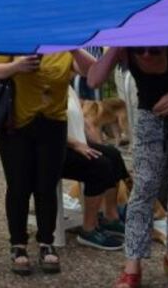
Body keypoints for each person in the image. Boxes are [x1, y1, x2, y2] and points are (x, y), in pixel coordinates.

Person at [89, 46, 168, 288]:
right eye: (139, 49)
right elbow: (94, 79)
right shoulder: (125, 46)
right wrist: (117, 44)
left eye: (154, 50)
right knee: (143, 187)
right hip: (150, 116)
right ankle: (132, 264)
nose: (145, 54)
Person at [0, 49, 96, 276]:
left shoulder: (65, 46)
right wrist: (16, 67)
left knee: (47, 186)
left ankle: (46, 242)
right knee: (18, 187)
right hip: (16, 125)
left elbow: (92, 71)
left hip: (53, 125)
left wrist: (73, 45)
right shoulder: (17, 38)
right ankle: (18, 245)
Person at [64, 87, 128, 252]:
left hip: (74, 141)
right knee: (100, 165)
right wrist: (77, 144)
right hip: (55, 146)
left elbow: (83, 122)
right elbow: (51, 127)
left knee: (113, 154)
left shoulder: (67, 86)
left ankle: (111, 217)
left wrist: (96, 144)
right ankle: (88, 229)